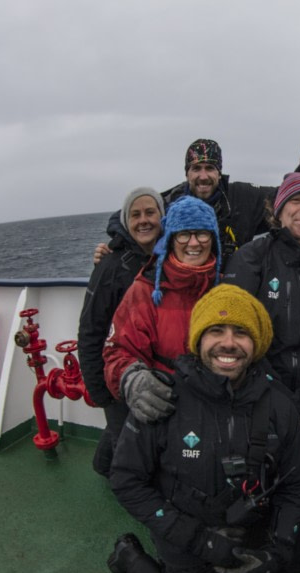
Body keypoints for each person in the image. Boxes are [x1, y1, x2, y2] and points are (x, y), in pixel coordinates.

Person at [107, 285, 300, 573]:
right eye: (216, 330)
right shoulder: (163, 398)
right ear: (198, 339)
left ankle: (260, 570)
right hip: (186, 530)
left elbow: (298, 483)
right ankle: (130, 558)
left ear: (257, 343)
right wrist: (198, 540)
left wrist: (278, 548)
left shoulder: (279, 404)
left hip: (253, 521)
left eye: (241, 332)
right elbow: (126, 482)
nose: (228, 343)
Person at [223, 172, 300, 513]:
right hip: (260, 394)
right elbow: (234, 331)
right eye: (296, 201)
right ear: (278, 211)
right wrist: (276, 391)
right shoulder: (254, 256)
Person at [102, 196, 220, 423]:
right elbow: (117, 352)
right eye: (184, 234)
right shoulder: (144, 291)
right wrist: (131, 379)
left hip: (217, 411)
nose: (194, 243)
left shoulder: (225, 287)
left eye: (202, 233)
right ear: (171, 240)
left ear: (213, 239)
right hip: (166, 412)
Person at [77, 187, 164, 476]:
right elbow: (91, 329)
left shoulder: (167, 257)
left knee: (130, 434)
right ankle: (121, 482)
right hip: (116, 376)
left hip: (151, 370)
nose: (144, 220)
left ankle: (101, 464)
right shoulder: (110, 266)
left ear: (162, 217)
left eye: (150, 212)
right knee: (127, 444)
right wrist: (98, 388)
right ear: (126, 221)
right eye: (135, 214)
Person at [100, 138, 274, 268]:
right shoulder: (170, 202)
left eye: (210, 168)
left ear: (219, 173)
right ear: (187, 174)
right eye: (196, 168)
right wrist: (114, 249)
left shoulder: (243, 196)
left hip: (230, 289)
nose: (203, 176)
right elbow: (121, 219)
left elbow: (286, 196)